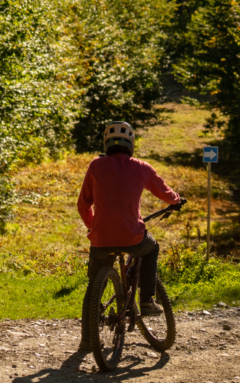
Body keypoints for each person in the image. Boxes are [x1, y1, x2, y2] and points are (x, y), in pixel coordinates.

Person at [76, 120, 181, 351]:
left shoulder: (95, 165)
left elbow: (83, 205)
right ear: (131, 143)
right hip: (133, 238)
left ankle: (87, 341)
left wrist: (95, 226)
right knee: (151, 248)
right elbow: (166, 194)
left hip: (101, 241)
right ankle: (146, 300)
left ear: (107, 143)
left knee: (93, 287)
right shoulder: (141, 167)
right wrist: (177, 200)